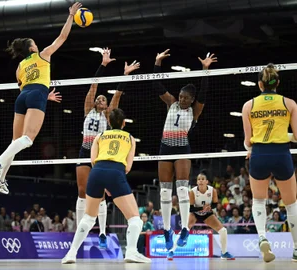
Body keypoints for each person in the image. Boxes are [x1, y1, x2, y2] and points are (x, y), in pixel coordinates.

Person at [0, 2, 82, 194]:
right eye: (35, 43)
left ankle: (0, 180)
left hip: (23, 97)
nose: (37, 45)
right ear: (32, 48)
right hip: (36, 94)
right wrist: (71, 16)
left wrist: (43, 97)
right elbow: (62, 37)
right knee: (28, 139)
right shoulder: (43, 55)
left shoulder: (19, 67)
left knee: (16, 141)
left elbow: (25, 87)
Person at [62, 108, 151, 264]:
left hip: (96, 172)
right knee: (135, 219)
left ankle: (71, 253)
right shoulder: (130, 138)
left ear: (108, 122)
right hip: (116, 172)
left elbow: (93, 160)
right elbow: (127, 167)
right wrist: (113, 185)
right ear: (124, 123)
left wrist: (104, 182)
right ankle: (131, 252)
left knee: (89, 218)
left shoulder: (100, 136)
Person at [76, 47, 140, 248]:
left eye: (103, 99)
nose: (100, 100)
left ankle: (102, 232)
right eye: (98, 99)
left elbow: (117, 96)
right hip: (85, 149)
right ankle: (81, 229)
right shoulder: (88, 111)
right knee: (81, 190)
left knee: (100, 193)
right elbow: (93, 86)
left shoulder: (109, 116)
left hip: (103, 155)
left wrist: (125, 76)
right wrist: (103, 65)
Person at [154, 49, 217, 250]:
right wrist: (157, 63)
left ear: (191, 100)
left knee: (182, 189)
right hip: (165, 148)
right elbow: (157, 85)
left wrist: (205, 70)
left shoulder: (194, 110)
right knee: (165, 193)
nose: (181, 100)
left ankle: (184, 229)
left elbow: (204, 93)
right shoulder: (171, 103)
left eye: (185, 98)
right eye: (180, 96)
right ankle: (166, 230)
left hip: (182, 150)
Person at [242, 63, 297, 262]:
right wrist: (285, 135)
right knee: (291, 204)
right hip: (281, 153)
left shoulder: (249, 106)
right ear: (278, 83)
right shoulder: (289, 104)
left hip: (259, 154)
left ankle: (263, 238)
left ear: (260, 84)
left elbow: (248, 141)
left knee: (258, 200)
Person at [167, 171, 234, 260]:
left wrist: (209, 208)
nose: (200, 181)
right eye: (199, 179)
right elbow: (190, 208)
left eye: (203, 179)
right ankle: (171, 251)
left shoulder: (212, 190)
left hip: (207, 214)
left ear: (207, 181)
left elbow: (215, 204)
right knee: (185, 229)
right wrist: (202, 208)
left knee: (223, 230)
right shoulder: (192, 191)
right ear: (197, 182)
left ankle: (224, 253)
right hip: (195, 213)